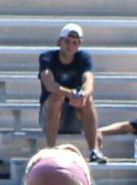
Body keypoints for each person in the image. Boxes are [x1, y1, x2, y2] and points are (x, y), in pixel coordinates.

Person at [38, 23, 106, 163]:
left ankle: (93, 151)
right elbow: (49, 84)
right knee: (57, 96)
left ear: (79, 44)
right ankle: (50, 149)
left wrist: (83, 95)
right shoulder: (47, 58)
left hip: (75, 115)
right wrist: (70, 94)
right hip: (50, 115)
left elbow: (89, 81)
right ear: (59, 41)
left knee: (88, 99)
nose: (70, 45)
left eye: (75, 43)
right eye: (67, 41)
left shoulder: (83, 58)